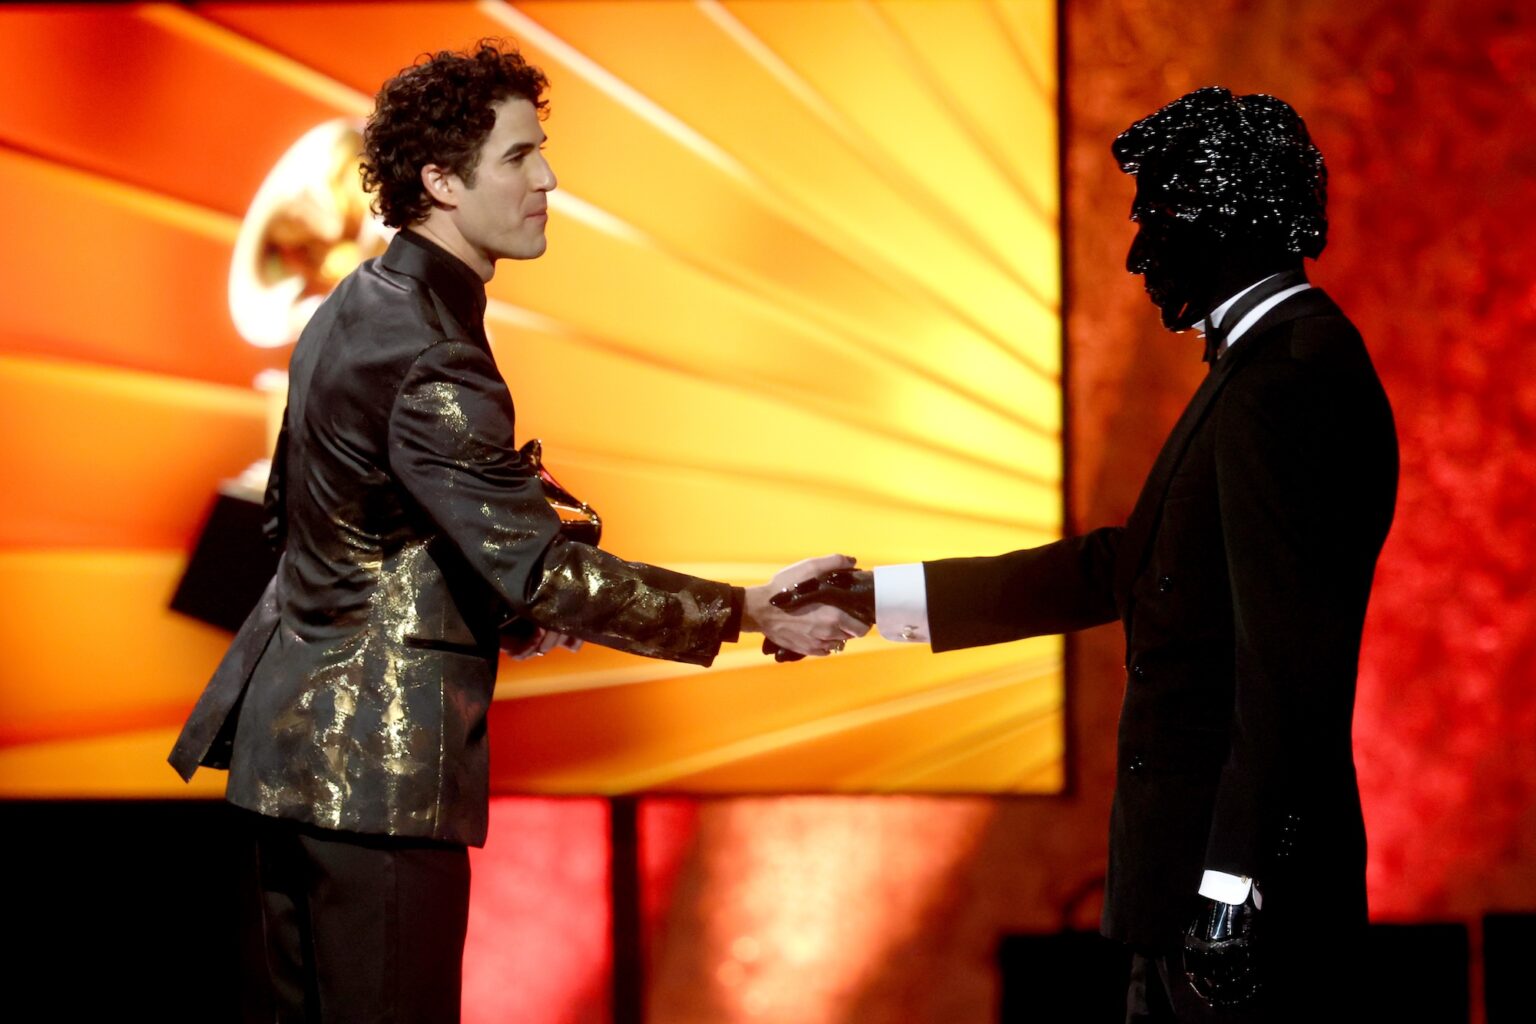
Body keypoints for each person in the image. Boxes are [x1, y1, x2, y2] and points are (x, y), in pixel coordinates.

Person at [167, 40, 864, 1023]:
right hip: (377, 786)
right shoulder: (431, 353)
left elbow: (317, 523)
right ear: (440, 181)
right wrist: (750, 609)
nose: (548, 180)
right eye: (519, 157)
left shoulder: (349, 307)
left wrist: (481, 599)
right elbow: (544, 576)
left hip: (287, 772)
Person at [775, 87, 1398, 1022]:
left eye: (1160, 220)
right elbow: (1125, 564)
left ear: (1233, 218)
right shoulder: (1269, 366)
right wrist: (875, 600)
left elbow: (1288, 674)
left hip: (1235, 909)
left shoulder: (1291, 377)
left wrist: (1231, 887)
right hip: (1200, 894)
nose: (1139, 256)